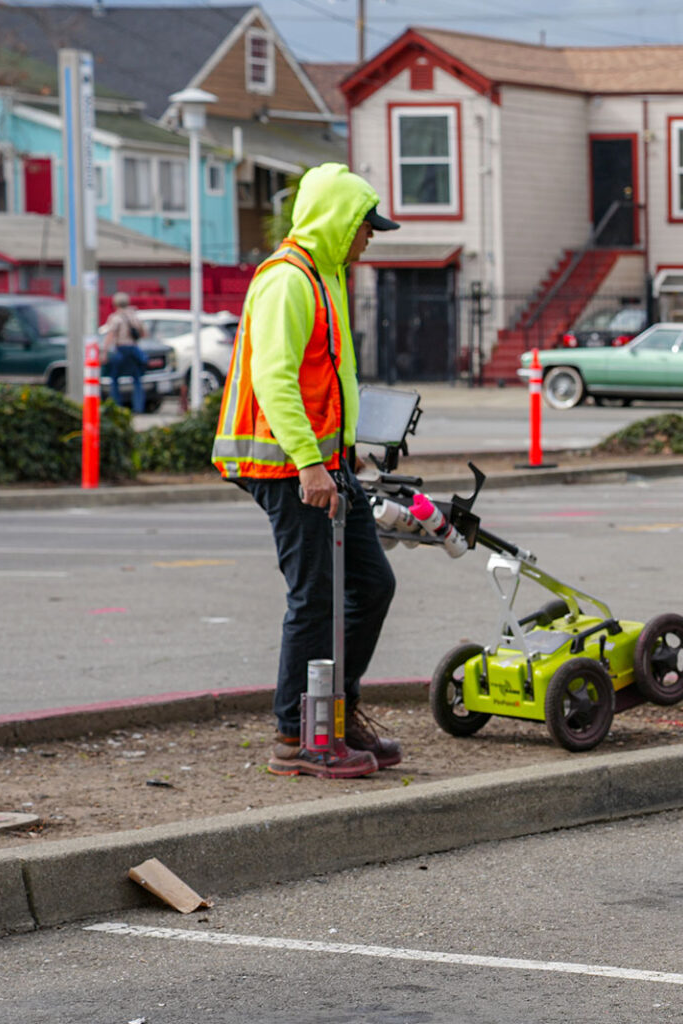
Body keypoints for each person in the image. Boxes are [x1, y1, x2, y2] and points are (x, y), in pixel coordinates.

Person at [212, 163, 402, 779]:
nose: (368, 239)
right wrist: (310, 463)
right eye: (363, 228)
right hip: (287, 466)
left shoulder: (326, 278)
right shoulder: (289, 280)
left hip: (323, 463)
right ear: (337, 223)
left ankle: (335, 716)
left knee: (370, 586)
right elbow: (275, 380)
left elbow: (329, 380)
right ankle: (298, 735)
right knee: (316, 597)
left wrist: (347, 450)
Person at [100, 293, 147, 413]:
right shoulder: (135, 316)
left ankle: (117, 407)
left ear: (115, 303)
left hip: (121, 349)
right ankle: (138, 407)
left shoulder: (116, 317)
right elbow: (144, 334)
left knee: (114, 378)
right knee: (137, 379)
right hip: (134, 350)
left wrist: (104, 352)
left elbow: (110, 335)